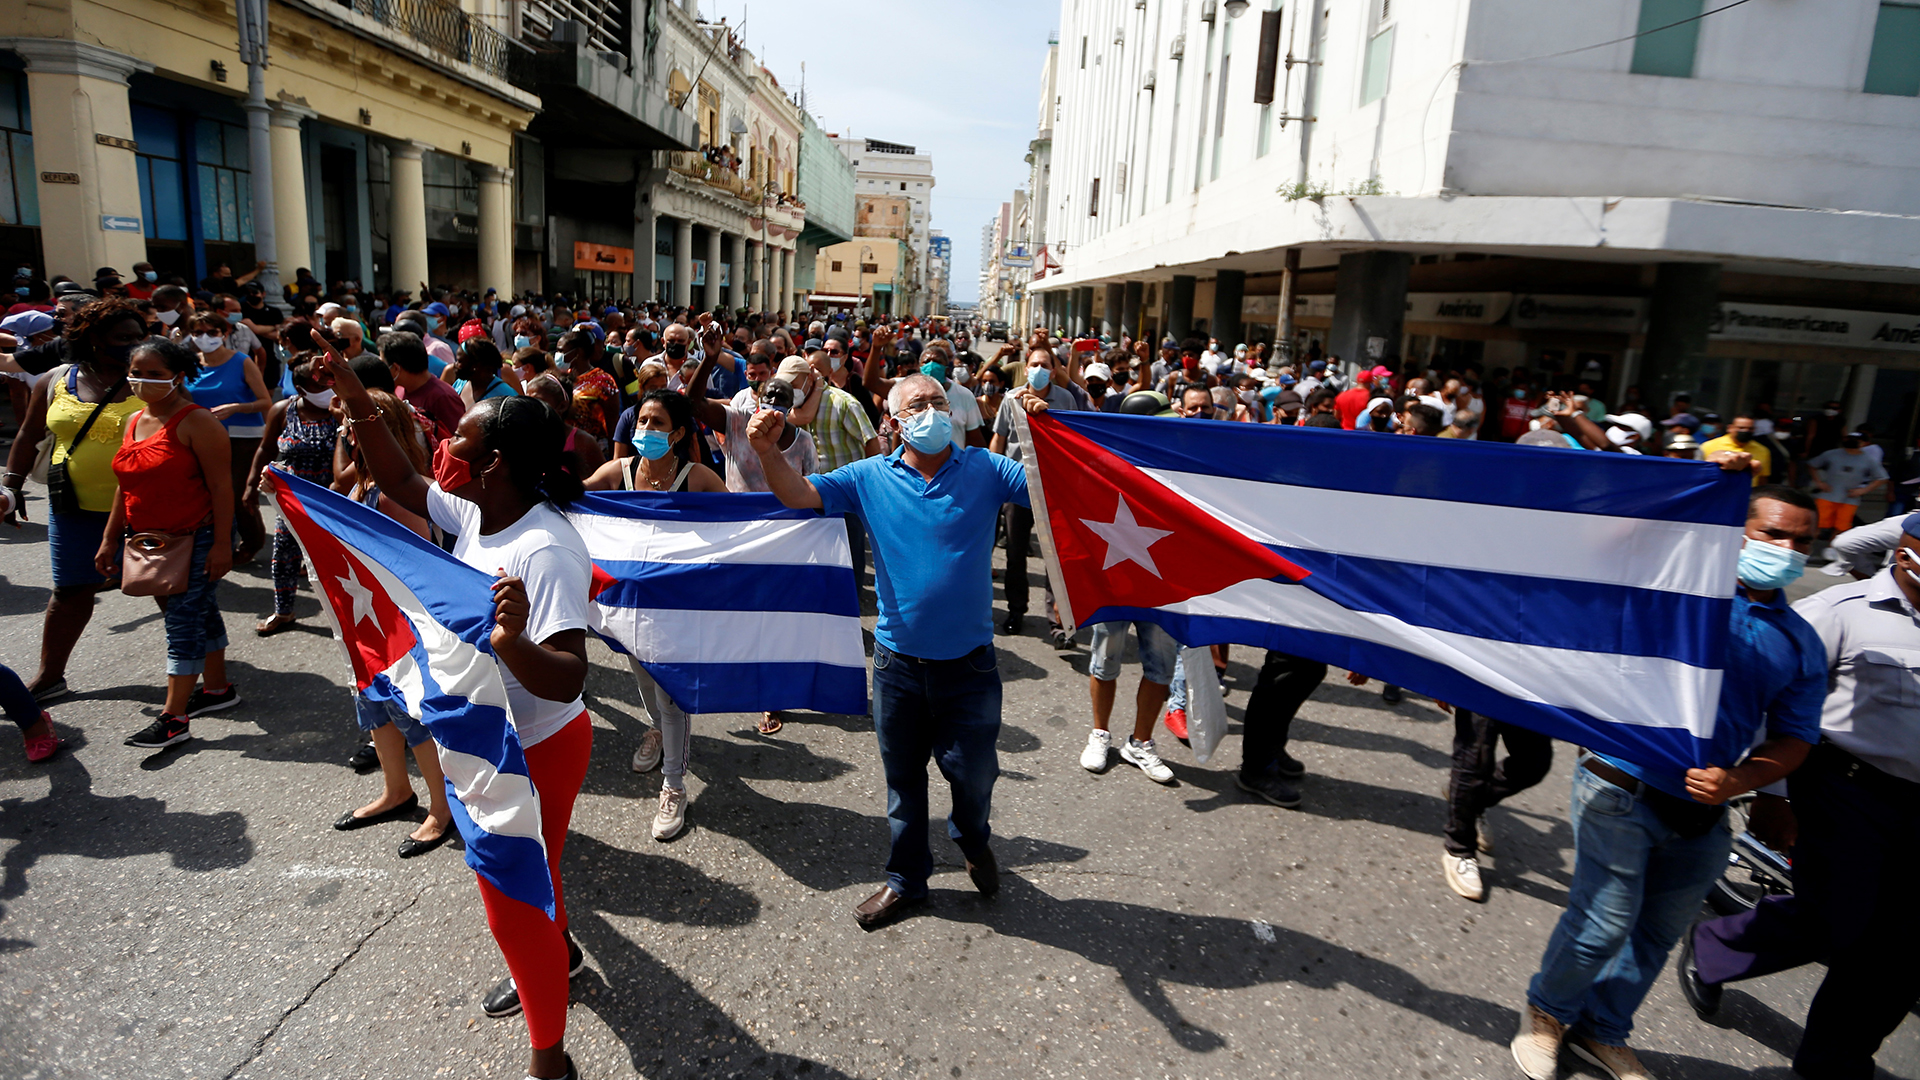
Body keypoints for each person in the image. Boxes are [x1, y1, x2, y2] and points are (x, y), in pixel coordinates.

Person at [323, 351, 593, 1080]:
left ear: (494, 462)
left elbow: (569, 677)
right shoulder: (479, 508)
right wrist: (358, 402)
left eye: (457, 441)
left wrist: (511, 642)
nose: (443, 449)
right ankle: (560, 955)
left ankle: (549, 1062)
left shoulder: (546, 548)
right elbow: (401, 482)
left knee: (511, 905)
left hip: (535, 747)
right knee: (535, 879)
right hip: (481, 733)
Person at [1511, 485, 1826, 1080]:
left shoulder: (1801, 643)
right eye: (1772, 534)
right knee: (1602, 923)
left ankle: (1603, 1030)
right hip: (1620, 785)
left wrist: (1741, 779)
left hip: (1705, 812)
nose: (1787, 550)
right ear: (1738, 531)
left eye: (1802, 541)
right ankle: (1546, 1013)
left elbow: (1795, 738)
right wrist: (1702, 487)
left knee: (1657, 933)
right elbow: (1605, 545)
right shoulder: (1675, 588)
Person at [748, 372, 1033, 929]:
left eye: (938, 402)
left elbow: (1053, 492)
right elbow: (800, 494)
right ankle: (907, 880)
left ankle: (972, 838)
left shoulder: (987, 468)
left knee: (974, 777)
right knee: (904, 783)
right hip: (897, 666)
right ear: (895, 421)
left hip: (969, 667)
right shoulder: (867, 476)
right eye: (917, 405)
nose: (931, 411)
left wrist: (1042, 428)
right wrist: (765, 451)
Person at [1678, 512, 1920, 1080]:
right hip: (1849, 788)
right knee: (1836, 921)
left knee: (1904, 946)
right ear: (1906, 550)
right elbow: (1780, 701)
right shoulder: (1841, 611)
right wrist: (1771, 792)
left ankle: (1833, 1064)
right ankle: (1716, 946)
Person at [582, 390, 723, 842]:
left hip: (678, 609)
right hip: (628, 606)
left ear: (678, 434)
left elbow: (738, 525)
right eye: (642, 420)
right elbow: (573, 500)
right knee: (642, 678)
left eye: (657, 422)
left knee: (670, 694)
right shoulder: (618, 472)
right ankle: (658, 732)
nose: (645, 429)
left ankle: (674, 785)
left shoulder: (697, 478)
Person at [327, 388, 455, 859]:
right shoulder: (362, 480)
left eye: (350, 422)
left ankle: (442, 808)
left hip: (399, 625)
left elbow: (418, 562)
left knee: (411, 713)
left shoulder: (398, 491)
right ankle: (396, 790)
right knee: (375, 707)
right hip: (369, 621)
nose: (342, 430)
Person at [2, 299, 148, 702]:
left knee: (166, 590)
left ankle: (199, 674)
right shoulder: (55, 380)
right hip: (72, 507)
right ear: (93, 338)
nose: (133, 344)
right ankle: (50, 676)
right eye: (123, 337)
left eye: (139, 336)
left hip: (144, 509)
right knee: (69, 592)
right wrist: (10, 488)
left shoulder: (151, 379)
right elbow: (28, 435)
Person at [100, 339, 240, 748]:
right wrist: (109, 538)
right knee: (200, 611)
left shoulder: (198, 423)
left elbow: (222, 488)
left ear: (178, 377)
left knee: (183, 622)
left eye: (155, 374)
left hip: (197, 538)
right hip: (152, 541)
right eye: (136, 372)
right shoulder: (133, 420)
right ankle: (217, 689)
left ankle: (173, 718)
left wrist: (222, 545)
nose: (142, 381)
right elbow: (125, 486)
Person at [989, 346, 1081, 647]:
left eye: (1045, 364)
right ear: (1025, 368)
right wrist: (993, 478)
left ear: (1053, 371)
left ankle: (1059, 623)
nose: (1039, 369)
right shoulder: (1011, 399)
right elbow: (999, 438)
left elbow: (1074, 441)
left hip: (1054, 488)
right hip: (1017, 486)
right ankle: (1016, 610)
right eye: (1034, 364)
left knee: (1056, 556)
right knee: (1015, 553)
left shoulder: (1065, 399)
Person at [246, 354, 340, 635]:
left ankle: (345, 617)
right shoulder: (282, 411)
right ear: (300, 389)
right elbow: (265, 449)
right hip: (292, 498)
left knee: (334, 559)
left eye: (329, 384)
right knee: (284, 556)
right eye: (319, 387)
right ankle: (283, 611)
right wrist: (250, 486)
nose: (327, 391)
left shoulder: (341, 410)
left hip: (334, 498)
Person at [523, 374, 607, 478]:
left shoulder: (582, 442)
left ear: (562, 406)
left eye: (538, 401)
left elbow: (603, 480)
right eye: (528, 400)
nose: (530, 407)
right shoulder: (527, 439)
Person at [1808, 432, 1887, 541]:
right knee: (1816, 524)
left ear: (1863, 443)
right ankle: (1807, 546)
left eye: (1856, 440)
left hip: (1849, 499)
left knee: (1842, 527)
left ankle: (1832, 548)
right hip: (1827, 496)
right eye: (1849, 439)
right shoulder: (1831, 454)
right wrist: (1819, 482)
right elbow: (1812, 465)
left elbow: (1882, 478)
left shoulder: (1868, 459)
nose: (1851, 441)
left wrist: (1864, 490)